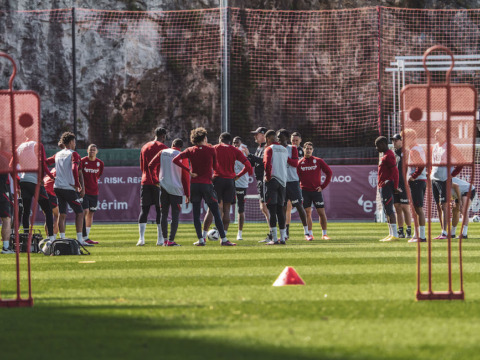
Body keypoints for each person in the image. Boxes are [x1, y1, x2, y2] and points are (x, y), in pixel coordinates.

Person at [173, 127, 235, 246]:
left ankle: (201, 240)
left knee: (196, 214)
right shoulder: (211, 150)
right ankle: (224, 239)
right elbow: (216, 167)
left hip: (195, 185)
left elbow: (176, 160)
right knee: (216, 212)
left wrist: (189, 171)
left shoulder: (190, 150)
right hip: (206, 184)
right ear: (204, 138)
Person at [201, 132, 252, 240]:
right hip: (230, 181)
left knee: (211, 209)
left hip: (217, 179)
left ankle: (203, 237)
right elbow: (248, 166)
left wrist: (210, 176)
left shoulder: (214, 148)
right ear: (230, 141)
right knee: (227, 209)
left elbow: (205, 163)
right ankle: (223, 238)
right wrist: (238, 176)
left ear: (220, 139)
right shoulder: (235, 150)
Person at [48, 132, 90, 246]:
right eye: (74, 141)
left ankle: (62, 238)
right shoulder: (74, 154)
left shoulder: (58, 154)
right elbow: (74, 168)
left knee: (62, 213)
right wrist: (77, 185)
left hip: (57, 187)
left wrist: (49, 176)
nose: (75, 144)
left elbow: (45, 162)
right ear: (71, 142)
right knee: (80, 212)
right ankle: (80, 240)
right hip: (68, 187)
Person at [16, 125, 56, 243]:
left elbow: (10, 166)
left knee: (26, 211)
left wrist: (18, 181)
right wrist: (50, 176)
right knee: (48, 210)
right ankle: (51, 238)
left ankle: (26, 237)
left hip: (23, 181)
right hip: (35, 182)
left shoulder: (19, 147)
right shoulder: (38, 145)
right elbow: (42, 163)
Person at [148, 138, 190, 246]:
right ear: (181, 146)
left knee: (164, 214)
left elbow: (150, 165)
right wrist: (187, 193)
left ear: (172, 144)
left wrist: (155, 180)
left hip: (163, 187)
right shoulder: (181, 155)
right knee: (175, 215)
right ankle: (171, 240)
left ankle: (164, 240)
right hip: (176, 189)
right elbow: (185, 176)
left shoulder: (163, 152)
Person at [137, 127, 168, 246]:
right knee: (159, 210)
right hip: (158, 182)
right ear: (163, 136)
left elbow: (141, 166)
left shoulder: (145, 146)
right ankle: (160, 239)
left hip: (145, 181)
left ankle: (141, 239)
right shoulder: (164, 148)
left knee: (144, 210)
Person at [277, 129, 310, 241]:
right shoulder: (276, 149)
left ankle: (306, 231)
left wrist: (284, 156)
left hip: (292, 181)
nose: (278, 139)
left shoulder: (293, 149)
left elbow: (295, 163)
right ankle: (284, 233)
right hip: (281, 182)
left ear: (285, 138)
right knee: (283, 207)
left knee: (299, 206)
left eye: (280, 136)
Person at [431, 127, 464, 239]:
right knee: (438, 205)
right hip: (434, 179)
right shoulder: (434, 146)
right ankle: (442, 231)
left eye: (438, 133)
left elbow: (461, 161)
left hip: (444, 179)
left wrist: (452, 174)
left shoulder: (450, 147)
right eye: (435, 133)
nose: (435, 135)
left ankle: (445, 232)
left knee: (445, 205)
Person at [296, 142, 332, 240]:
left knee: (321, 212)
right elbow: (296, 178)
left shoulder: (318, 161)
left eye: (310, 149)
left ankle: (324, 234)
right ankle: (310, 234)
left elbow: (329, 172)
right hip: (304, 192)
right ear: (303, 149)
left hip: (316, 191)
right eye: (306, 148)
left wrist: (323, 186)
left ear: (312, 150)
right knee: (307, 213)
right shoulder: (299, 163)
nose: (308, 150)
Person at [263, 130, 288, 245]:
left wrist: (267, 177)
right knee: (280, 211)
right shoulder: (284, 149)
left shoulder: (269, 149)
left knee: (272, 211)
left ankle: (274, 238)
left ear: (268, 139)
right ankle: (282, 238)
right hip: (283, 182)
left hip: (272, 180)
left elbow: (267, 164)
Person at [402, 129, 427, 243]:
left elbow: (421, 165)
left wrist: (413, 176)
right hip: (420, 181)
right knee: (417, 209)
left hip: (417, 182)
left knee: (418, 209)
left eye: (405, 138)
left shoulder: (414, 150)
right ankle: (417, 235)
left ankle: (421, 236)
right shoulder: (418, 148)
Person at [247, 127, 271, 242]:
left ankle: (273, 233)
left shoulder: (267, 147)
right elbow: (254, 163)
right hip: (260, 180)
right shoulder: (259, 147)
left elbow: (263, 162)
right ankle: (273, 232)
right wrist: (245, 156)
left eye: (257, 134)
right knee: (264, 208)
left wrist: (249, 155)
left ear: (263, 135)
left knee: (266, 207)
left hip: (265, 180)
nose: (255, 136)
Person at [375, 136, 401, 242]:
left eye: (377, 146)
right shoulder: (385, 155)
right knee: (386, 210)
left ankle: (395, 234)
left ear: (383, 144)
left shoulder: (389, 155)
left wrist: (395, 187)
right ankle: (391, 234)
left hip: (387, 186)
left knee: (389, 210)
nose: (376, 148)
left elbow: (395, 171)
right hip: (383, 186)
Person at [80, 144, 104, 245]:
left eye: (94, 150)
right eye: (90, 150)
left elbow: (98, 175)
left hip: (94, 192)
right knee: (84, 212)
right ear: (87, 151)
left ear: (97, 151)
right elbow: (78, 174)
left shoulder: (100, 163)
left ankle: (87, 237)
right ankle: (82, 236)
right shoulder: (82, 161)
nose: (92, 152)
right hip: (84, 191)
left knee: (90, 213)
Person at [391, 134, 412, 238]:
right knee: (397, 207)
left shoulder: (407, 153)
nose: (394, 142)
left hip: (404, 184)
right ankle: (400, 230)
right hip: (395, 184)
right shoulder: (392, 154)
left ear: (401, 141)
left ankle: (409, 229)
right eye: (393, 140)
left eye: (396, 140)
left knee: (405, 207)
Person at [286, 131, 304, 237]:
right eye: (293, 140)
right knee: (287, 207)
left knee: (304, 208)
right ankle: (286, 231)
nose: (294, 142)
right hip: (290, 181)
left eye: (296, 140)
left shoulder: (303, 151)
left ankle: (307, 231)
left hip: (300, 183)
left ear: (300, 140)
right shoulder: (287, 149)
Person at [233, 136, 250, 241]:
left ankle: (239, 233)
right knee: (223, 205)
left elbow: (248, 167)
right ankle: (220, 230)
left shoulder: (244, 151)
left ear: (241, 143)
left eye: (237, 142)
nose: (235, 144)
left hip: (241, 183)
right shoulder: (229, 150)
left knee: (240, 208)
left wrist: (238, 176)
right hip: (230, 182)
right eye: (234, 142)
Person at [0, 174, 14, 254]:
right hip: (2, 189)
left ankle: (6, 246)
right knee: (6, 219)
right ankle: (6, 247)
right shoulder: (4, 162)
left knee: (6, 219)